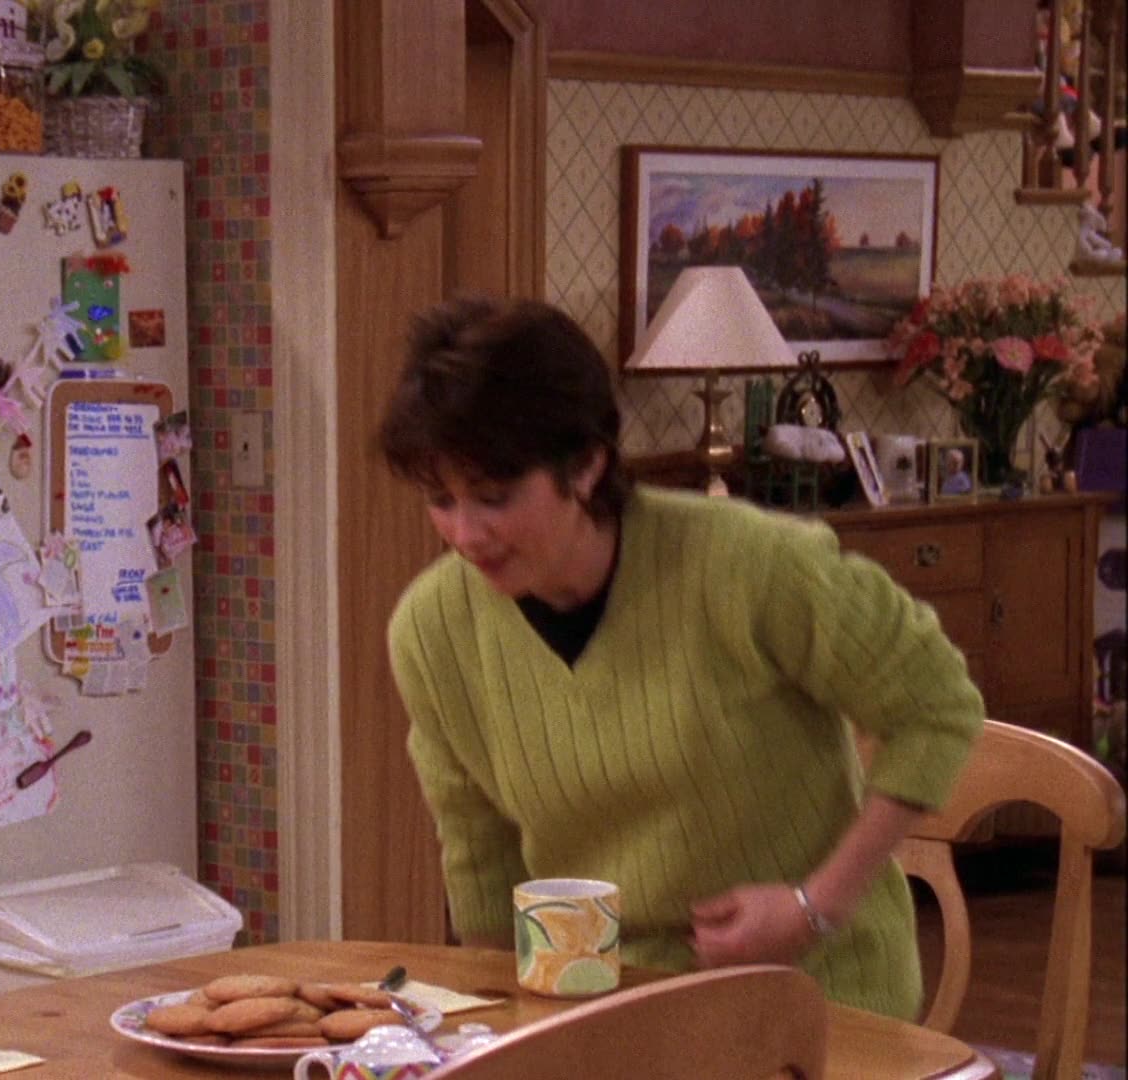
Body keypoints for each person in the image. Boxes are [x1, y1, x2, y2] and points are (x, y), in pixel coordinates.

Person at [378, 296, 983, 1021]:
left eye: (494, 497)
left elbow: (936, 706)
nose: (464, 533)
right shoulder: (433, 632)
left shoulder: (752, 564)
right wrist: (498, 1025)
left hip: (815, 991)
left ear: (587, 464)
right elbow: (478, 852)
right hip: (602, 1004)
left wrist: (816, 904)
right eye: (440, 500)